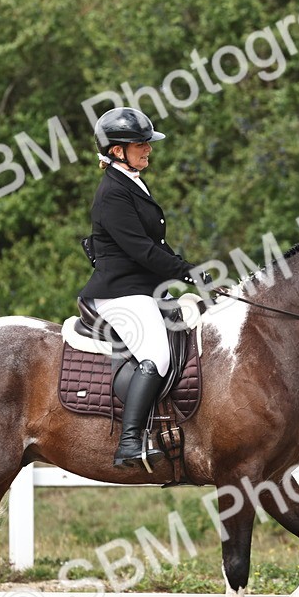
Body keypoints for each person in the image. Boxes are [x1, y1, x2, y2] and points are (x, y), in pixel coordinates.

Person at [79, 107, 200, 468]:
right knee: (158, 355)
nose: (148, 148)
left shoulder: (131, 181)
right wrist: (186, 273)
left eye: (147, 143)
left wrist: (188, 269)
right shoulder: (112, 193)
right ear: (117, 151)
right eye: (140, 144)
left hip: (143, 288)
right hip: (120, 292)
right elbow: (141, 250)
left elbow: (156, 245)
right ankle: (130, 442)